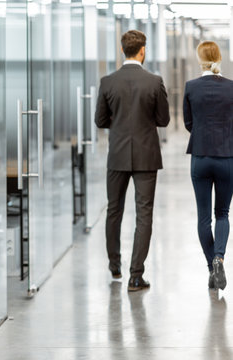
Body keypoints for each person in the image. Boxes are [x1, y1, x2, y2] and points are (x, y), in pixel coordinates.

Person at [95, 30, 170, 291]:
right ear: (142, 50)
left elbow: (100, 121)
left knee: (113, 210)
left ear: (122, 50)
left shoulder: (107, 82)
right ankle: (136, 276)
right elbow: (163, 120)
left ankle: (114, 265)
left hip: (116, 155)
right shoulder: (154, 81)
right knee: (143, 214)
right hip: (147, 155)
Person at [183, 41, 233, 290]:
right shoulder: (232, 88)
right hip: (226, 157)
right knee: (222, 213)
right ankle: (219, 258)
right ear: (219, 58)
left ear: (199, 59)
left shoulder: (191, 87)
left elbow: (188, 123)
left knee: (204, 217)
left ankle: (211, 268)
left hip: (200, 157)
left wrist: (204, 132)